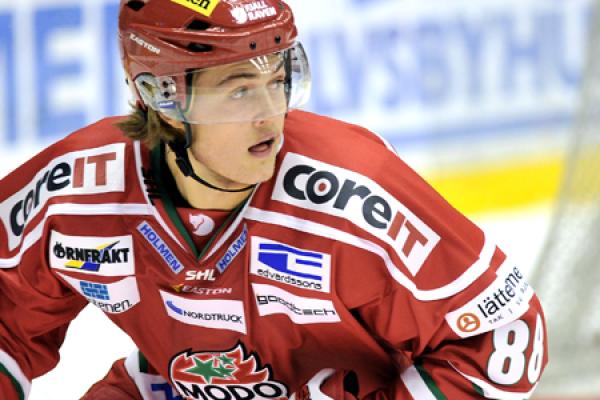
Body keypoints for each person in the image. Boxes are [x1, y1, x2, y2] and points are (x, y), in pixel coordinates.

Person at [0, 0, 548, 398]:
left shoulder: (352, 192)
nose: (270, 113)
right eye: (239, 89)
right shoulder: (72, 190)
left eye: (278, 79)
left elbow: (505, 334)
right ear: (161, 98)